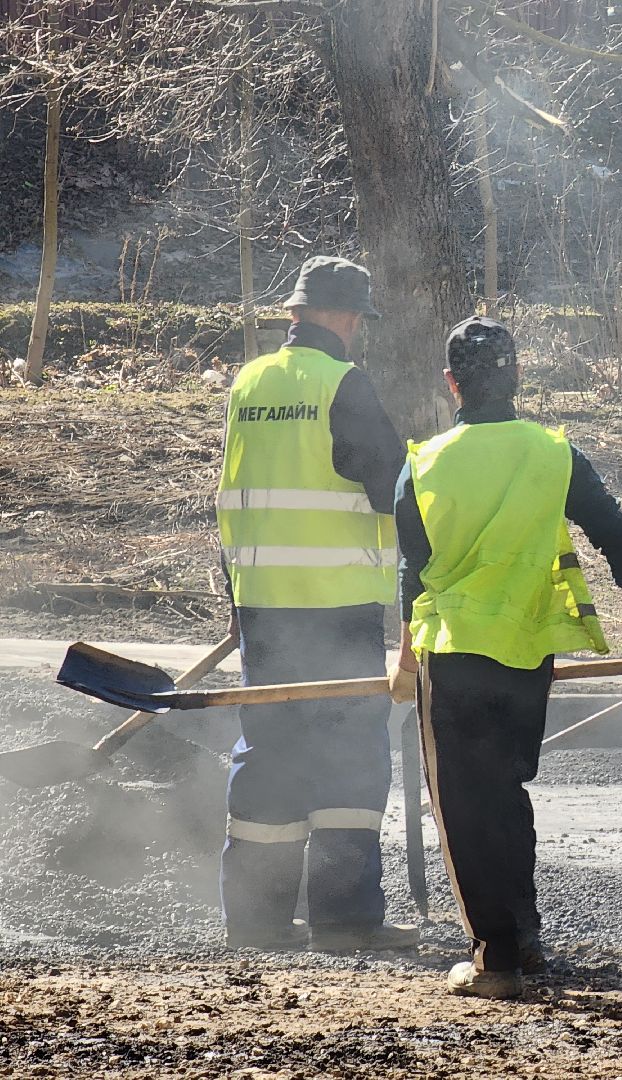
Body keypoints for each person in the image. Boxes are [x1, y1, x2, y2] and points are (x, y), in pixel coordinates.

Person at [390, 316, 622, 999]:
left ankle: (493, 959)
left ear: (451, 384)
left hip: (455, 653)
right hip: (527, 653)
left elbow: (412, 573)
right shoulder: (555, 454)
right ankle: (524, 938)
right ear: (517, 377)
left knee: (463, 805)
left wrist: (406, 663)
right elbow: (617, 534)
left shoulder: (424, 462)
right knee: (506, 790)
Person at [216, 255, 418, 951]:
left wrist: (238, 597)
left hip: (262, 608)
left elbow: (236, 494)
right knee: (347, 761)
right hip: (336, 608)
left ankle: (257, 919)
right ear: (338, 315)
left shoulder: (247, 383)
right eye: (358, 316)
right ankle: (343, 920)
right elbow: (392, 486)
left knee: (269, 756)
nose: (359, 329)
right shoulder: (342, 384)